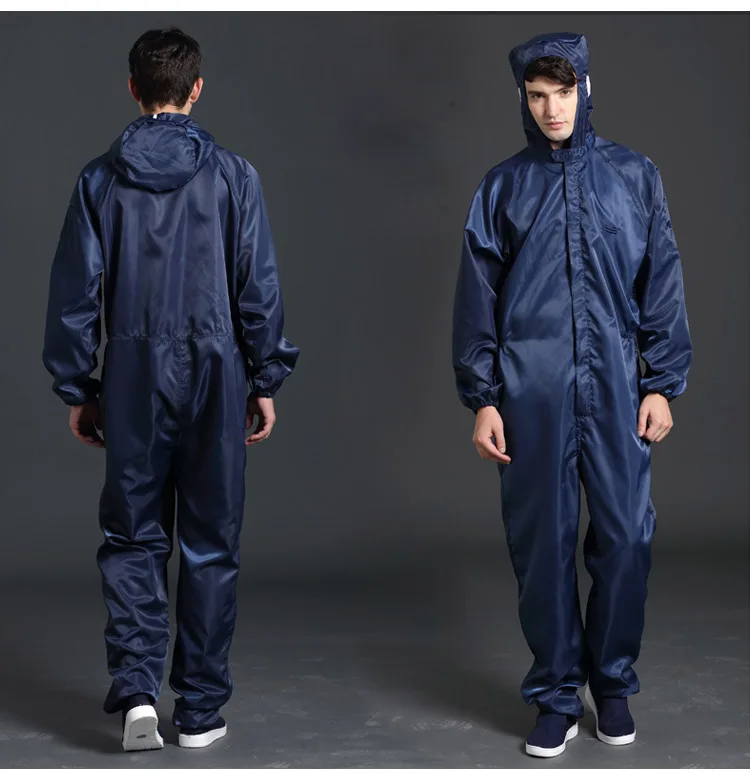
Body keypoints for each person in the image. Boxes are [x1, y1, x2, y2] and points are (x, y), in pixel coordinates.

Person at [42, 27, 299, 752]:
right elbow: (258, 288)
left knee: (132, 536)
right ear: (196, 89)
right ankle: (200, 711)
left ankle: (136, 696)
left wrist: (78, 387)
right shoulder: (234, 176)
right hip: (218, 372)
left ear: (133, 88)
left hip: (132, 377)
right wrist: (265, 376)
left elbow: (74, 296)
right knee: (211, 543)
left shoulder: (99, 180)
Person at [452, 31, 692, 758]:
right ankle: (556, 694)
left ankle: (612, 684)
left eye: (563, 93)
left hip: (617, 387)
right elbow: (476, 299)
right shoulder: (502, 187)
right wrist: (484, 398)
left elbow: (662, 280)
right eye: (537, 96)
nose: (552, 109)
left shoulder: (635, 177)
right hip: (531, 393)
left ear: (587, 90)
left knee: (625, 539)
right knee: (543, 548)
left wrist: (661, 382)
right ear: (523, 99)